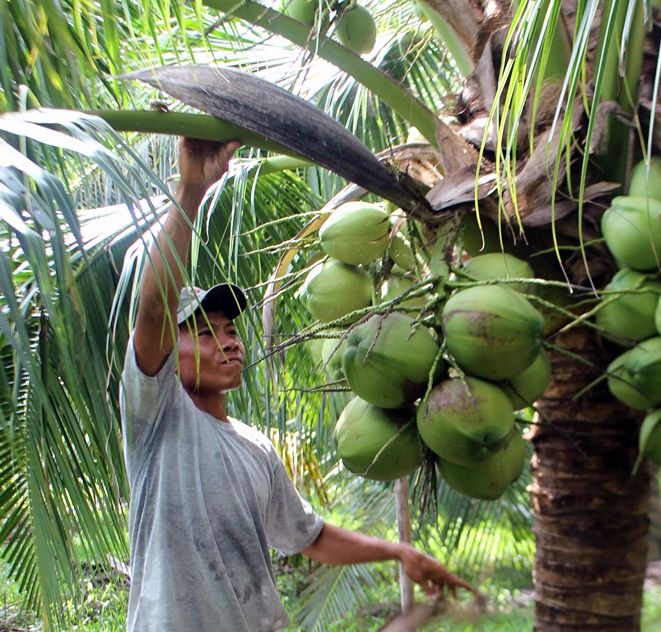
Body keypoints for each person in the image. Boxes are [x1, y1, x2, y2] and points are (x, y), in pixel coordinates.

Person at [119, 137, 472, 631]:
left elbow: (310, 537)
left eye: (230, 330)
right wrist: (192, 190)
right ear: (166, 356)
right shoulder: (155, 416)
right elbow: (155, 306)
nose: (229, 342)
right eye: (203, 333)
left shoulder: (255, 448)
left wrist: (398, 552)